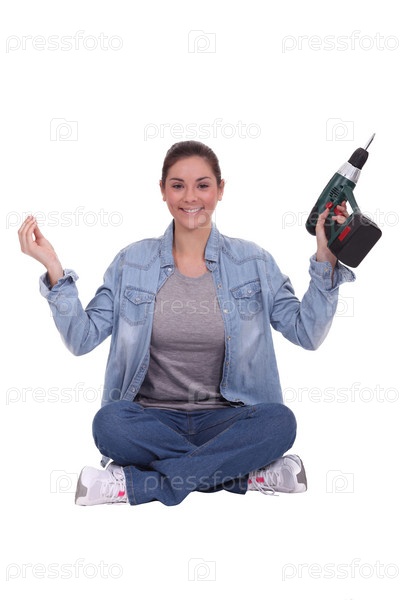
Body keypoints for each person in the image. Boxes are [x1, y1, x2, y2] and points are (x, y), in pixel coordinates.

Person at [18, 140, 355, 507]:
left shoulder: (254, 262)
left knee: (279, 423)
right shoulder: (132, 262)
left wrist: (326, 258)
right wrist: (55, 271)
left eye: (203, 185)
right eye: (178, 185)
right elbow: (82, 339)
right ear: (163, 191)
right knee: (109, 424)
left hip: (229, 421)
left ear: (220, 190)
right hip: (151, 422)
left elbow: (307, 333)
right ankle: (242, 475)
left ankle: (137, 484)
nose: (190, 197)